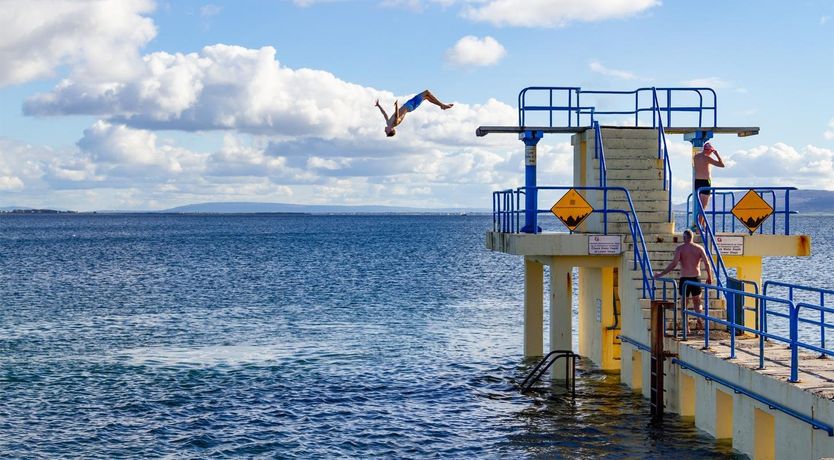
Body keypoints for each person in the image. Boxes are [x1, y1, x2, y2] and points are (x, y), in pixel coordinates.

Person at [654, 229, 713, 332]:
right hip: (696, 278)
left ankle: (686, 326)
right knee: (697, 301)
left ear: (685, 237)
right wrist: (709, 276)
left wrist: (660, 274)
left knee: (684, 303)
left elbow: (674, 264)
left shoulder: (680, 249)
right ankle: (699, 318)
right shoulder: (699, 248)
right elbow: (707, 263)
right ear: (692, 237)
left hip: (685, 279)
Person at [375, 90, 454, 137]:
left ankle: (442, 105)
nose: (385, 131)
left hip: (409, 104)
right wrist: (396, 106)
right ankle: (443, 105)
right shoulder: (395, 123)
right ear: (391, 130)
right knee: (427, 92)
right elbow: (397, 115)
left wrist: (379, 106)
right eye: (386, 132)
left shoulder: (388, 123)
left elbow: (384, 114)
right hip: (411, 106)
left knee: (426, 97)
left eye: (386, 132)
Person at [692, 141, 725, 229]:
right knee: (704, 206)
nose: (711, 153)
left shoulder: (696, 157)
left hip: (697, 182)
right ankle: (699, 227)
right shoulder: (707, 158)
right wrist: (717, 155)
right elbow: (722, 165)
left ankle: (702, 224)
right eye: (711, 151)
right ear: (709, 150)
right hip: (705, 182)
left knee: (700, 205)